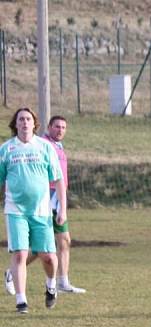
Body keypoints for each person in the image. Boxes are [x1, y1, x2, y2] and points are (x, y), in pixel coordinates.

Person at [4, 115, 85, 296]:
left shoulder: (57, 146)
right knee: (47, 246)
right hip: (45, 199)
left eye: (63, 127)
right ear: (48, 127)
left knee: (63, 241)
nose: (60, 130)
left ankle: (62, 281)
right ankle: (14, 272)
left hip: (56, 197)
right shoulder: (42, 145)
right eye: (57, 127)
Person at [0, 107, 66, 314]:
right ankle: (21, 301)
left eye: (28, 119)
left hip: (42, 211)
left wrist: (62, 208)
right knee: (20, 254)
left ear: (34, 123)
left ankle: (51, 285)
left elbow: (58, 179)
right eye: (21, 119)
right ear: (16, 123)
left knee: (47, 256)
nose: (25, 122)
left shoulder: (45, 148)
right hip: (15, 209)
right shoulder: (6, 149)